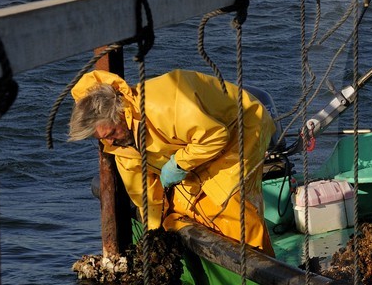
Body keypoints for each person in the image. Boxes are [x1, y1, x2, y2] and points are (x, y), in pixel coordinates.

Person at [68, 69, 277, 253]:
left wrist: (178, 164)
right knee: (183, 205)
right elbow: (144, 192)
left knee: (228, 200)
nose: (110, 141)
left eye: (112, 132)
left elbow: (215, 136)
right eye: (102, 138)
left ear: (121, 113)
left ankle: (259, 263)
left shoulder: (164, 103)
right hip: (195, 146)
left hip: (241, 128)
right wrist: (153, 234)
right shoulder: (118, 144)